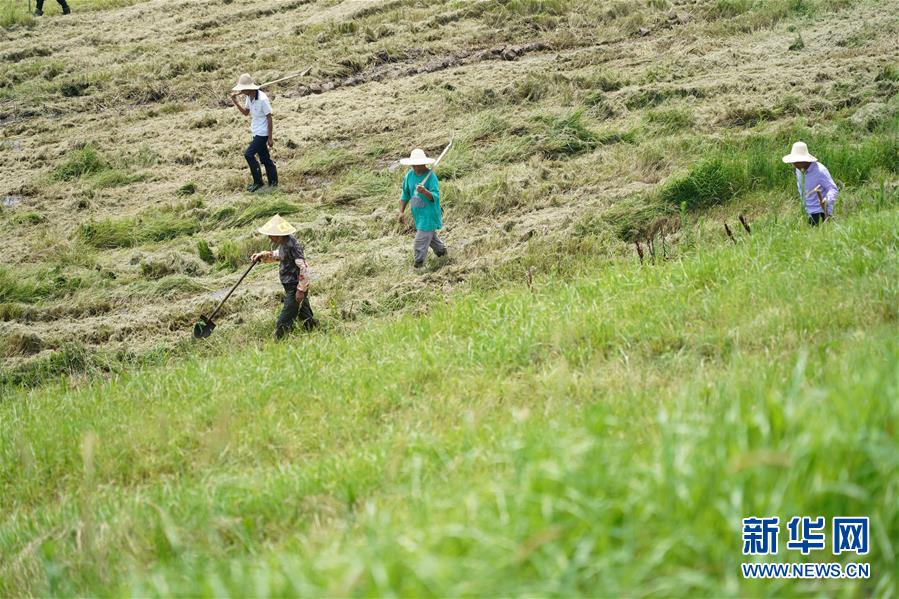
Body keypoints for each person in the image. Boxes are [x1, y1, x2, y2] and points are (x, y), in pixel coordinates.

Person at [250, 215, 317, 339]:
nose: (269, 237)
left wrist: (300, 290)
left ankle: (280, 339)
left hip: (295, 286)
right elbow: (280, 255)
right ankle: (313, 330)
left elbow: (303, 267)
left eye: (271, 234)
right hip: (290, 285)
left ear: (279, 235)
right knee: (304, 312)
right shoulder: (284, 243)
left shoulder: (293, 246)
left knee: (285, 317)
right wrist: (263, 255)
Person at [397, 148, 447, 268]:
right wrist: (401, 211)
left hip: (429, 214)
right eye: (413, 164)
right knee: (431, 238)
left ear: (424, 163)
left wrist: (424, 191)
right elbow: (405, 194)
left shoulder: (431, 177)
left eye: (418, 164)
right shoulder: (409, 176)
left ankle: (418, 265)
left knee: (420, 241)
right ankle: (442, 252)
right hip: (418, 216)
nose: (415, 167)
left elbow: (435, 196)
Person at [229, 74, 278, 192]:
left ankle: (258, 182)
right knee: (265, 158)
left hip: (263, 133)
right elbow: (246, 113)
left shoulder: (262, 99)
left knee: (248, 154)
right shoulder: (249, 97)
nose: (241, 91)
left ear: (249, 88)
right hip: (256, 131)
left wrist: (270, 138)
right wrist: (235, 102)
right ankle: (273, 183)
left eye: (243, 89)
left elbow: (269, 117)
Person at [782, 141, 838, 226]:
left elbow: (832, 188)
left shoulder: (820, 171)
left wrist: (827, 200)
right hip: (806, 211)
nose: (794, 164)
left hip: (820, 211)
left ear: (804, 160)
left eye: (796, 161)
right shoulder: (798, 170)